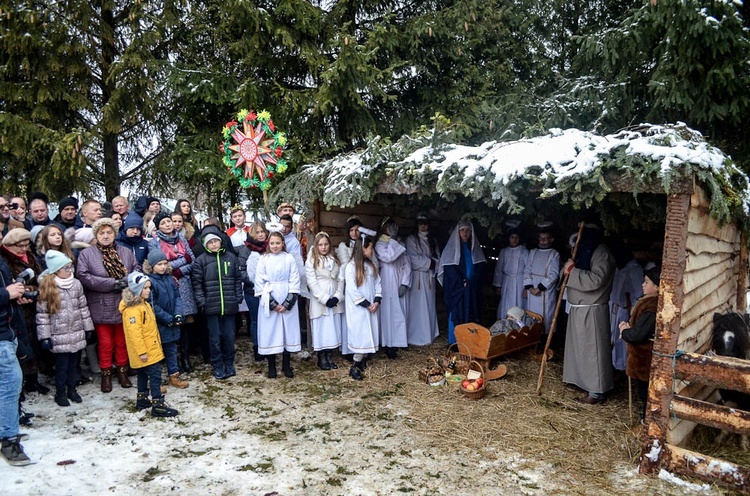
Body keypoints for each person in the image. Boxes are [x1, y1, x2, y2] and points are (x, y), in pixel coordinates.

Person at [77, 217, 140, 393]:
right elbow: (84, 276)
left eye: (109, 232)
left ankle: (122, 371)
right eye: (102, 233)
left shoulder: (126, 252)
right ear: (96, 235)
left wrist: (126, 281)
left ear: (115, 233)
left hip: (123, 304)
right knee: (105, 343)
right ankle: (106, 374)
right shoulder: (87, 254)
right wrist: (112, 283)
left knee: (122, 341)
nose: (106, 236)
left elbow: (137, 270)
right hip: (100, 305)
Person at [562, 224, 616, 405]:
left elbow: (596, 280)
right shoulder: (585, 251)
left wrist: (572, 271)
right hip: (579, 309)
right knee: (579, 350)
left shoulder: (601, 253)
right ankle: (580, 380)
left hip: (592, 311)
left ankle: (596, 390)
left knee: (593, 353)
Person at [35, 250, 94, 407]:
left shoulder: (76, 284)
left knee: (74, 365)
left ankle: (72, 389)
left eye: (70, 267)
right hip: (59, 335)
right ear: (56, 270)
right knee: (62, 366)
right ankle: (60, 392)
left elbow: (83, 307)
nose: (70, 271)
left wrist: (88, 328)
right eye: (66, 268)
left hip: (76, 332)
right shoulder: (48, 287)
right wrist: (45, 337)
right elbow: (42, 316)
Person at [120, 272, 178, 417]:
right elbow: (135, 334)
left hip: (149, 348)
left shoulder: (143, 304)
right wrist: (141, 352)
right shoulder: (133, 310)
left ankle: (142, 398)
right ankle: (158, 404)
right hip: (145, 351)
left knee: (142, 375)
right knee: (155, 375)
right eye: (145, 288)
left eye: (149, 288)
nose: (148, 291)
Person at [0, 228, 48, 395]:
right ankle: (21, 387)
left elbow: (41, 278)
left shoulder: (30, 257)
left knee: (33, 343)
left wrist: (30, 289)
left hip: (32, 306)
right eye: (20, 246)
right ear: (10, 245)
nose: (23, 249)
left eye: (26, 245)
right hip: (15, 311)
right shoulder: (5, 260)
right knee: (21, 347)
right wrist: (17, 292)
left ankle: (33, 380)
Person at [192, 233, 242, 380]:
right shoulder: (201, 261)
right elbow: (197, 284)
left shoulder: (231, 258)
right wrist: (202, 301)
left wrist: (237, 297)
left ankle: (229, 362)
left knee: (229, 336)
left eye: (216, 241)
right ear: (206, 245)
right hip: (211, 306)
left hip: (229, 304)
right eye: (210, 242)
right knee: (214, 338)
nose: (214, 245)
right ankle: (217, 364)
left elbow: (237, 280)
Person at [254, 231, 301, 378]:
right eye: (272, 243)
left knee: (286, 332)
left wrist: (287, 303)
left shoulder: (289, 258)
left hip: (286, 293)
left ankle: (286, 365)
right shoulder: (264, 259)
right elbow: (259, 282)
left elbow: (295, 279)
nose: (275, 246)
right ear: (269, 244)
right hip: (270, 295)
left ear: (283, 243)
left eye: (278, 243)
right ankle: (271, 366)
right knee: (271, 332)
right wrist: (273, 304)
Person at [0, 256, 33, 466]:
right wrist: (5, 294)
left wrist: (15, 294)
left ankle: (7, 428)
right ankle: (8, 439)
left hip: (8, 329)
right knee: (10, 385)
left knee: (10, 385)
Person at [619, 265, 660, 419]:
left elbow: (638, 334)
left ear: (657, 287)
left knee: (646, 394)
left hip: (645, 359)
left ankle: (646, 423)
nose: (643, 285)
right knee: (645, 393)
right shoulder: (649, 302)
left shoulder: (652, 307)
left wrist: (625, 331)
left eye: (647, 282)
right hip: (643, 358)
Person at [144, 249, 188, 388]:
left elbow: (177, 298)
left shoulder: (170, 279)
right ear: (151, 266)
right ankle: (155, 381)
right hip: (159, 324)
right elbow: (152, 305)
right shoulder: (150, 282)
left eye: (164, 264)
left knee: (172, 350)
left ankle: (174, 375)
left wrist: (178, 313)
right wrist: (167, 318)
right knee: (156, 354)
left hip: (172, 322)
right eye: (159, 264)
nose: (162, 267)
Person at [437, 220, 487, 344]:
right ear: (458, 232)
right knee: (457, 312)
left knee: (471, 311)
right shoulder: (452, 249)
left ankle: (470, 342)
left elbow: (480, 267)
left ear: (471, 233)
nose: (465, 233)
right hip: (458, 289)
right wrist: (461, 282)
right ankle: (455, 342)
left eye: (467, 230)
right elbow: (449, 268)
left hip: (471, 289)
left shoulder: (474, 249)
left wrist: (473, 280)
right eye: (462, 230)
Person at [344, 235, 381, 380]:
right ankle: (355, 365)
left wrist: (376, 301)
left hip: (371, 306)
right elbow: (352, 290)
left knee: (369, 333)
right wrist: (366, 304)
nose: (372, 251)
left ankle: (362, 361)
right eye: (371, 248)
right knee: (361, 335)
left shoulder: (370, 266)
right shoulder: (351, 267)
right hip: (359, 309)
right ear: (363, 248)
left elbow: (378, 283)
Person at [305, 232, 343, 370]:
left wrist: (337, 296)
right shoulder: (311, 260)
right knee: (322, 327)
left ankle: (329, 355)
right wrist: (324, 298)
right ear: (316, 246)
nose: (323, 247)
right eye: (320, 245)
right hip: (320, 299)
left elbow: (341, 279)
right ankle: (321, 357)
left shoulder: (335, 259)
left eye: (326, 244)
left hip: (334, 296)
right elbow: (312, 282)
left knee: (332, 326)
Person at [375, 217, 411, 359]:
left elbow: (407, 263)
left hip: (398, 280)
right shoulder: (380, 244)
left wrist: (405, 282)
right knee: (388, 314)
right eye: (389, 227)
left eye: (393, 226)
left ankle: (398, 341)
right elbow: (389, 257)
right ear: (384, 228)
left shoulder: (399, 243)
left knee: (398, 313)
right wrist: (393, 239)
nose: (392, 229)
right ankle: (387, 344)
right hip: (386, 282)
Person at [405, 214, 440, 346]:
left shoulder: (432, 240)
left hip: (429, 278)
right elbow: (411, 258)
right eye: (421, 223)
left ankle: (429, 333)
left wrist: (433, 263)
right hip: (417, 278)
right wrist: (429, 262)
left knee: (429, 305)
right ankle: (416, 336)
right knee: (417, 307)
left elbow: (438, 256)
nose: (423, 226)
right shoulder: (411, 239)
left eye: (425, 223)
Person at [609, 245, 644, 371]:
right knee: (610, 337)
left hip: (624, 311)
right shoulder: (617, 267)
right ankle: (611, 366)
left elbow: (639, 295)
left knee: (620, 341)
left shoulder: (634, 270)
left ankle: (620, 368)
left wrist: (633, 314)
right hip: (612, 307)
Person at [238, 221, 269, 361]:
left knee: (269, 319)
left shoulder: (270, 247)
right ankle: (257, 347)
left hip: (269, 290)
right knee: (256, 320)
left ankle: (269, 345)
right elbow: (241, 271)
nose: (260, 234)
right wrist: (256, 282)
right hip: (252, 291)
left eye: (262, 231)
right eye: (257, 232)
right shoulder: (246, 250)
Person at [523, 227, 560, 333]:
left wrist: (539, 288)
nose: (543, 241)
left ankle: (545, 338)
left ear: (551, 239)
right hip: (532, 289)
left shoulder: (554, 254)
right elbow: (527, 269)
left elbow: (553, 274)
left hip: (545, 291)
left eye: (546, 238)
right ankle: (532, 335)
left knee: (546, 315)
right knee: (531, 315)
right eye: (541, 238)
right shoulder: (533, 252)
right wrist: (529, 287)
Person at [493, 226, 528, 320]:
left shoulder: (524, 251)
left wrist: (526, 287)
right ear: (509, 238)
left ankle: (518, 323)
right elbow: (499, 268)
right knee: (506, 301)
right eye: (512, 237)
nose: (514, 240)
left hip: (519, 281)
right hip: (507, 281)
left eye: (516, 237)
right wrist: (498, 285)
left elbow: (528, 268)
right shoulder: (504, 251)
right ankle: (504, 322)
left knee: (519, 301)